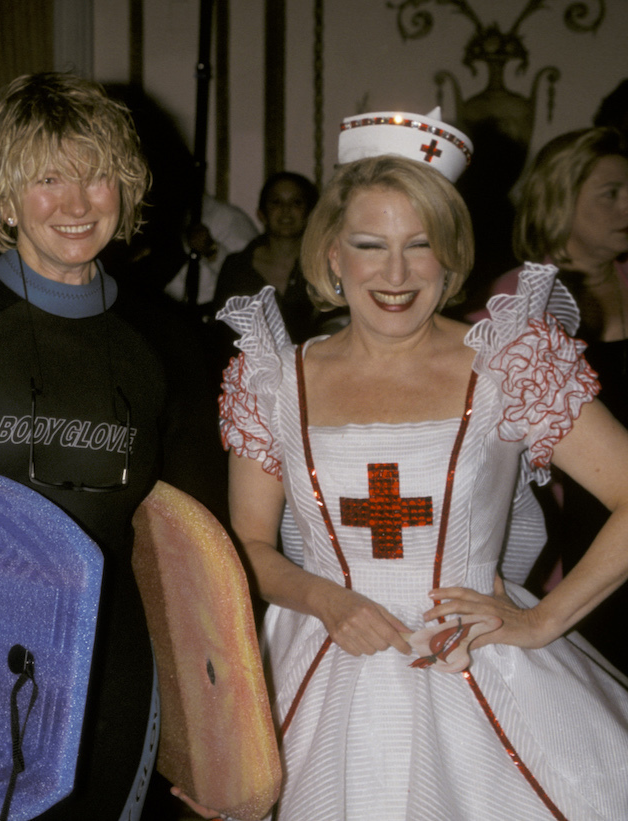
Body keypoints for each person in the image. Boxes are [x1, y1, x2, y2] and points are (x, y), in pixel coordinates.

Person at [215, 112, 628, 819]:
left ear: (453, 254)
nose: (397, 273)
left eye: (421, 245)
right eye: (370, 245)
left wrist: (539, 622)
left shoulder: (510, 362)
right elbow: (248, 546)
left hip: (482, 669)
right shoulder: (271, 379)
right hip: (314, 669)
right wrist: (326, 598)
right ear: (333, 255)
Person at [0, 71, 213, 821]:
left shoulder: (167, 341)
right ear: (3, 194)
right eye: (47, 178)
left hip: (113, 677)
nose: (75, 203)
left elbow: (202, 558)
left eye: (96, 178)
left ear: (125, 187)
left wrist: (218, 740)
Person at [481, 126, 628, 672]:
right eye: (609, 193)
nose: (627, 206)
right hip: (571, 526)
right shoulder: (521, 298)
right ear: (560, 198)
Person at [212, 171, 328, 342]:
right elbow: (220, 335)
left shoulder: (326, 266)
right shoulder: (237, 267)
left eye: (296, 202)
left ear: (310, 214)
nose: (286, 210)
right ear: (261, 213)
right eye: (276, 202)